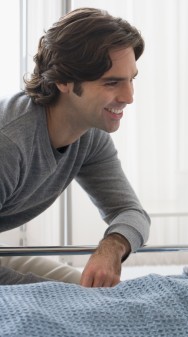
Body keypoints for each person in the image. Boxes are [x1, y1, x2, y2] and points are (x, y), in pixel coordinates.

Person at [0, 7, 150, 287]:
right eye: (112, 82)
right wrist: (58, 296)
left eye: (131, 79)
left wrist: (112, 247)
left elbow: (131, 212)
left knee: (108, 299)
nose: (129, 97)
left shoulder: (89, 136)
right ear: (63, 80)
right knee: (74, 299)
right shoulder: (8, 143)